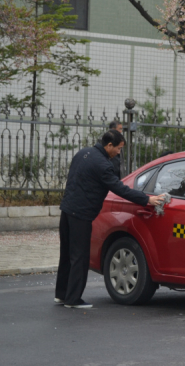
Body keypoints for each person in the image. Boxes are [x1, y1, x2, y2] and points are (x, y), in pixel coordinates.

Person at [56, 130, 163, 308]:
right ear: (109, 145)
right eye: (119, 149)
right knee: (80, 257)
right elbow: (120, 189)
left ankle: (61, 294)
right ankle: (73, 299)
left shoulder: (83, 153)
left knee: (66, 254)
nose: (119, 153)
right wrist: (147, 199)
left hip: (66, 210)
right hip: (82, 215)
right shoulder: (103, 165)